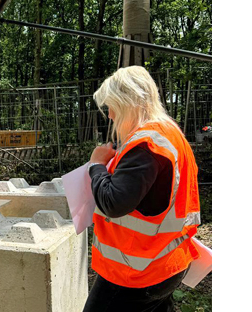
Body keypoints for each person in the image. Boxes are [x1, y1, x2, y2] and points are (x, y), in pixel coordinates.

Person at [83, 66, 202, 312]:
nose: (111, 115)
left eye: (112, 106)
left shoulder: (145, 145)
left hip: (135, 272)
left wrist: (96, 165)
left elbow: (114, 203)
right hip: (165, 262)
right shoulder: (169, 133)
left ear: (128, 102)